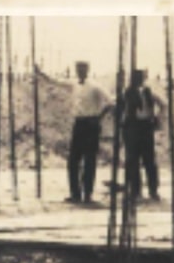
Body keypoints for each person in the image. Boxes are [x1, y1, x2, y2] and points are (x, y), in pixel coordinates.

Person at [66, 61, 112, 204]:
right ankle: (75, 194)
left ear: (87, 70)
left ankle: (87, 194)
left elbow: (111, 102)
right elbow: (57, 82)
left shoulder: (95, 86)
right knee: (73, 160)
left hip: (91, 124)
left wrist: (99, 117)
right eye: (78, 69)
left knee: (89, 160)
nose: (80, 71)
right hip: (78, 123)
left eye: (82, 69)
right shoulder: (74, 85)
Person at [122, 69, 165, 201]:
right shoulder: (127, 92)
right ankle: (135, 190)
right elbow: (122, 108)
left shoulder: (148, 91)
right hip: (132, 126)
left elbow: (163, 104)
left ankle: (153, 189)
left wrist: (157, 118)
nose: (138, 80)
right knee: (132, 160)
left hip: (145, 126)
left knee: (149, 159)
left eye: (140, 78)